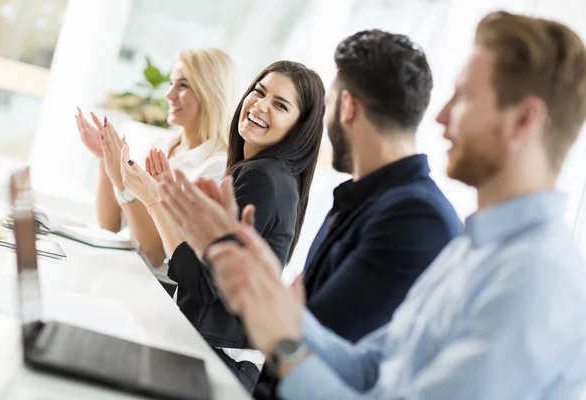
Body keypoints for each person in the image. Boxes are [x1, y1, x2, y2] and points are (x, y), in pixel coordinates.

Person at [203, 11, 586, 399]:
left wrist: (282, 337)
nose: (440, 116)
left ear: (524, 121)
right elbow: (370, 367)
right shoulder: (474, 249)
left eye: (465, 96)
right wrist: (271, 297)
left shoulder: (534, 277)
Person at [158, 30, 462, 398]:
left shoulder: (413, 218)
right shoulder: (367, 200)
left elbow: (326, 358)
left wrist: (256, 288)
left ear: (346, 106)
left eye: (329, 101)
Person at [121, 60, 326, 391]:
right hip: (207, 357)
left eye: (280, 104)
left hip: (213, 365)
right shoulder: (268, 174)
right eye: (259, 92)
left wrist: (153, 200)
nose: (260, 106)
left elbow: (205, 283)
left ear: (298, 127)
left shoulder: (263, 177)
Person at [75, 48, 239, 292]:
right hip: (128, 274)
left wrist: (122, 181)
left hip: (158, 289)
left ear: (211, 93)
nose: (169, 94)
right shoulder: (161, 145)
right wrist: (105, 159)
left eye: (182, 86)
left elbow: (155, 253)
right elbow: (110, 224)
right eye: (171, 83)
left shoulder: (215, 167)